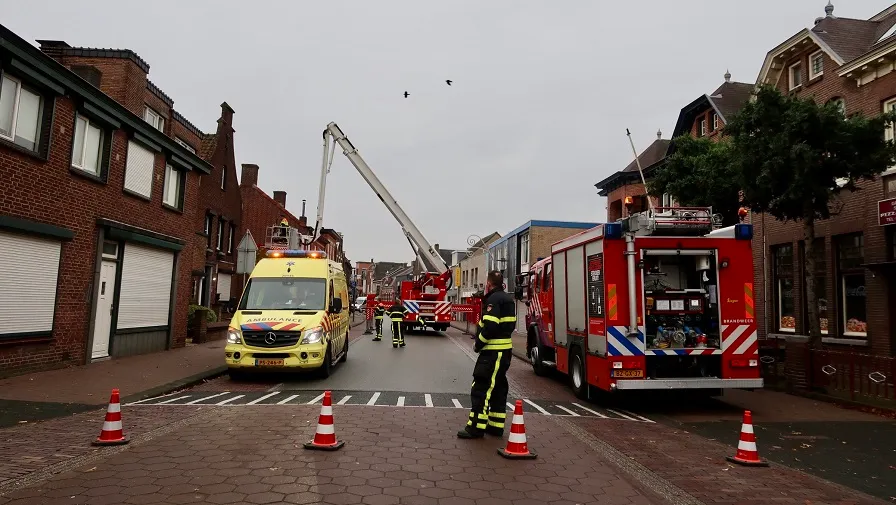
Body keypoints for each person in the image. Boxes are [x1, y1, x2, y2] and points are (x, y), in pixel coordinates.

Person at [458, 270, 515, 439]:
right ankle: (495, 426)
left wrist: (478, 343)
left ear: (489, 284)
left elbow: (490, 326)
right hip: (504, 352)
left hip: (492, 352)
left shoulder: (493, 300)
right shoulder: (507, 299)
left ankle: (475, 427)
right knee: (497, 388)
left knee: (481, 387)